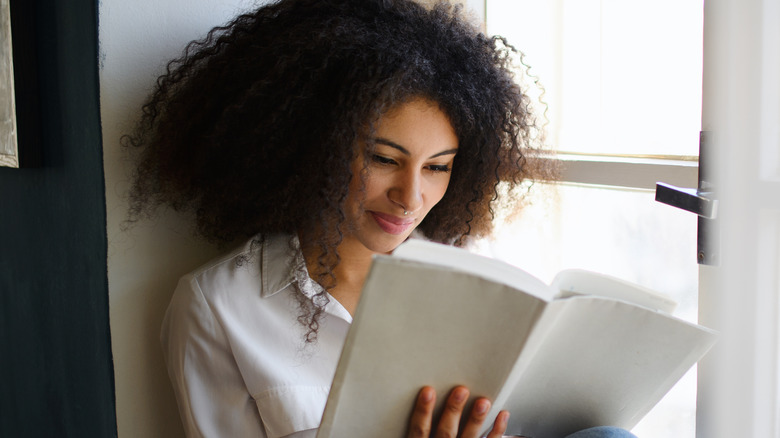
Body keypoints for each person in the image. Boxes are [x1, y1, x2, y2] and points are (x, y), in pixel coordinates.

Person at [124, 0, 637, 437]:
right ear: (314, 148)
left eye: (438, 168)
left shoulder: (475, 279)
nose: (411, 196)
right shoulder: (218, 308)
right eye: (384, 159)